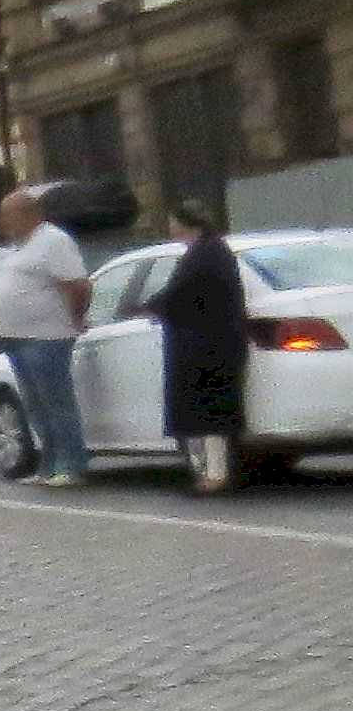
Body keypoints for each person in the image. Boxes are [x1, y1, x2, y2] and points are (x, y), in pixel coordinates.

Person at [0, 187, 95, 487]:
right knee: (34, 404)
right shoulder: (18, 246)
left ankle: (71, 464)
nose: (3, 222)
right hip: (15, 337)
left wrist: (76, 317)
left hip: (45, 336)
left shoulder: (53, 240)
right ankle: (49, 464)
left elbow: (78, 285)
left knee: (55, 401)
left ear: (28, 214)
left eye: (7, 215)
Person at [147, 197, 249, 494]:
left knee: (208, 413)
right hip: (208, 341)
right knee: (202, 413)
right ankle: (204, 470)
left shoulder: (205, 254)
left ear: (184, 223)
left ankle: (214, 474)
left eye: (173, 221)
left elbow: (180, 294)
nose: (170, 226)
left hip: (206, 344)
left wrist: (152, 306)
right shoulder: (210, 250)